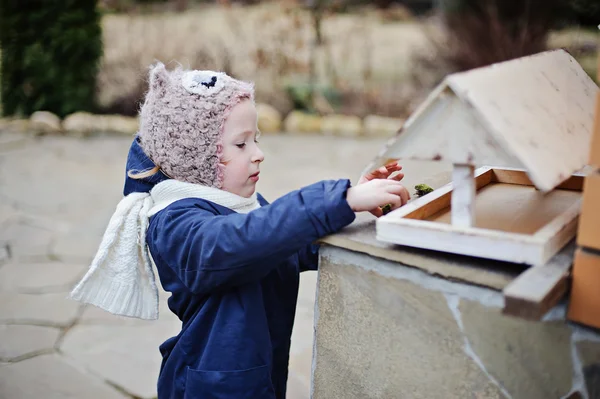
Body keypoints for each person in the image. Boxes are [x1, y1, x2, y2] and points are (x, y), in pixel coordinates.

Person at [70, 63, 409, 399]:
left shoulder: (239, 207)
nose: (259, 155)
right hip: (212, 390)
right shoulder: (175, 224)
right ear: (197, 157)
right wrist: (338, 199)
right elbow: (239, 241)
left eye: (256, 140)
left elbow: (283, 243)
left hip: (257, 379)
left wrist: (353, 211)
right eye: (241, 144)